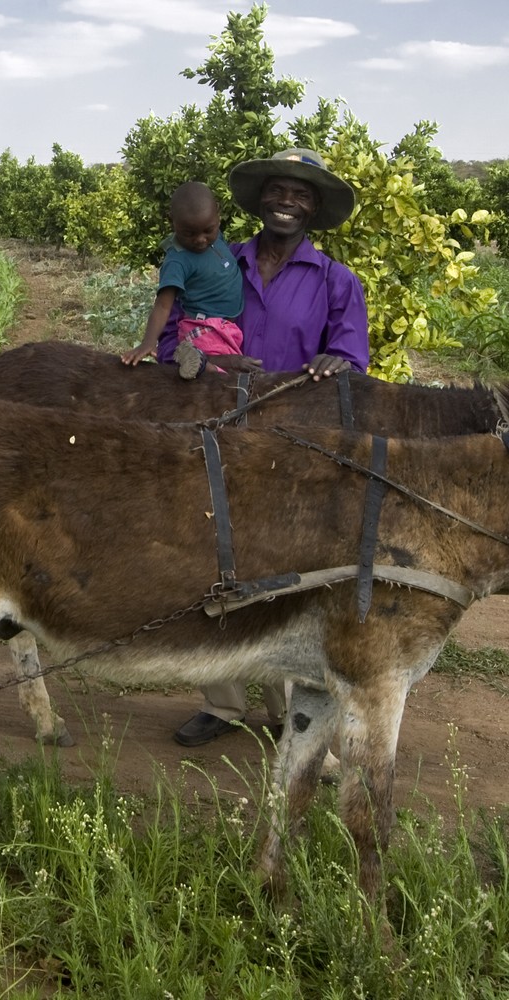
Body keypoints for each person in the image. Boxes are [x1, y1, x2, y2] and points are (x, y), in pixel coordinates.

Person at [171, 146, 370, 749]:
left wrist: (340, 361)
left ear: (314, 209)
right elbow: (175, 345)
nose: (288, 201)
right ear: (261, 201)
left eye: (301, 194)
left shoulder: (336, 280)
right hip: (216, 436)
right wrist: (200, 356)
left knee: (287, 575)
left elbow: (354, 363)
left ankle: (288, 708)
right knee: (215, 565)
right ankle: (223, 702)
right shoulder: (219, 263)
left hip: (293, 447)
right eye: (279, 190)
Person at [119, 181, 245, 379]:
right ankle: (199, 363)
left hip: (224, 327)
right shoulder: (177, 261)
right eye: (189, 233)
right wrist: (149, 343)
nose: (200, 239)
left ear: (218, 216)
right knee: (225, 380)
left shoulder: (217, 239)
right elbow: (162, 305)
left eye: (207, 230)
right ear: (172, 222)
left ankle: (199, 362)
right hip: (204, 328)